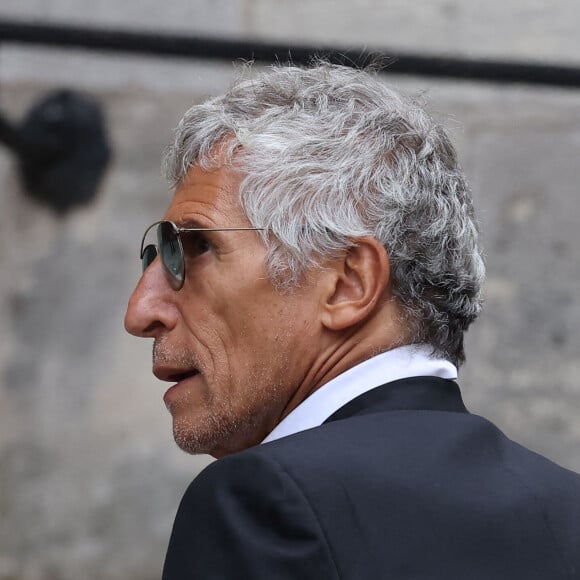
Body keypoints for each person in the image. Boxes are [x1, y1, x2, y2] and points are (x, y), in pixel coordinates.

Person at [124, 63, 580, 579]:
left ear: (348, 284)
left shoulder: (268, 502)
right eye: (154, 260)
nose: (140, 312)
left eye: (196, 247)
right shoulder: (567, 509)